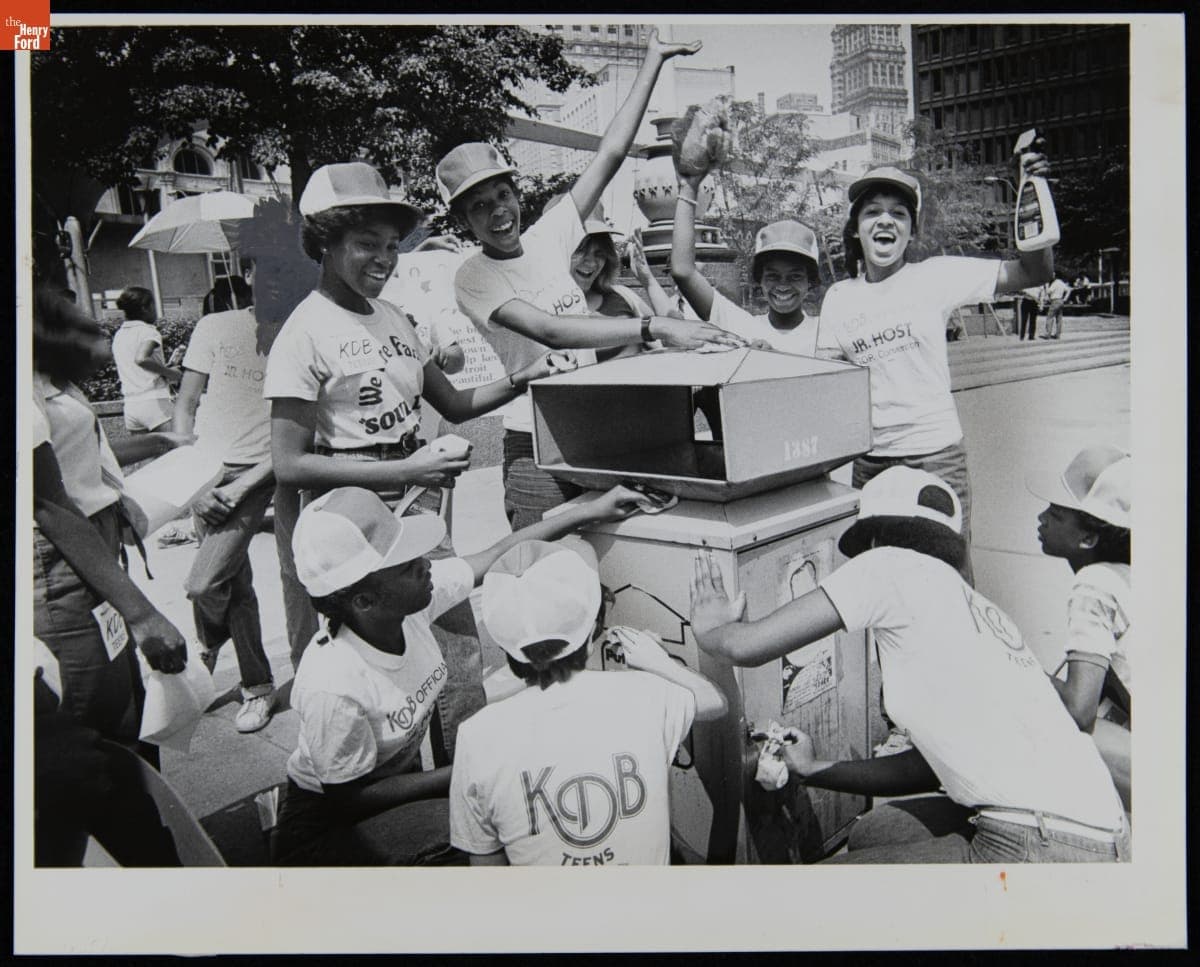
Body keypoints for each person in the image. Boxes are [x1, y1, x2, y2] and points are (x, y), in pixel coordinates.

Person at [263, 161, 568, 758]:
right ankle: (383, 803)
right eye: (364, 245)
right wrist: (404, 471)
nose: (383, 259)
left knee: (456, 652)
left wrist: (523, 377)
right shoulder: (304, 333)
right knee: (380, 669)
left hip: (420, 497)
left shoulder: (396, 318)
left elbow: (452, 404)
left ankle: (463, 789)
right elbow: (289, 465)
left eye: (389, 246)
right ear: (324, 243)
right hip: (355, 518)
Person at [689, 466, 1127, 863]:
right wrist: (813, 768)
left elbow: (743, 647)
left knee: (816, 898)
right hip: (1101, 832)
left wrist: (710, 629)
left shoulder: (887, 565)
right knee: (874, 833)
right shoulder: (974, 608)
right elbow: (927, 766)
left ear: (876, 538)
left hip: (1037, 843)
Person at [442, 29, 740, 530]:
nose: (497, 212)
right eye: (478, 206)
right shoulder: (473, 276)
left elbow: (610, 154)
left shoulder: (549, 235)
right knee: (545, 573)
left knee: (614, 566)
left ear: (516, 193)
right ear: (464, 221)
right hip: (535, 437)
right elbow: (549, 331)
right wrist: (656, 328)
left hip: (598, 426)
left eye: (502, 195)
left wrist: (653, 62)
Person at [270, 482, 645, 866]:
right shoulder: (332, 682)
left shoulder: (407, 605)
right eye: (407, 564)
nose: (426, 564)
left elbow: (498, 553)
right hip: (327, 828)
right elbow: (348, 798)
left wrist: (590, 511)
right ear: (364, 601)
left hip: (390, 792)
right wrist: (472, 765)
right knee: (490, 823)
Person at [815, 155, 1057, 584]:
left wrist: (1032, 193)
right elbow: (827, 385)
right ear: (856, 228)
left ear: (911, 229)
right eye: (872, 212)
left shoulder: (936, 277)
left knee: (950, 583)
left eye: (899, 213)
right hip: (870, 465)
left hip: (936, 456)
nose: (885, 221)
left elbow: (1034, 271)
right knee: (878, 584)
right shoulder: (838, 298)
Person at [449, 539, 727, 866]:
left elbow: (488, 876)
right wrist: (660, 662)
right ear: (594, 628)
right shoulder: (646, 694)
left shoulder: (477, 737)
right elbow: (716, 702)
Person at [32, 287, 189, 765]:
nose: (98, 341)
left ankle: (149, 824)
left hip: (93, 552)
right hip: (64, 560)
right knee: (97, 726)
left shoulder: (50, 379)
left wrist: (159, 443)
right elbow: (49, 503)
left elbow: (77, 457)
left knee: (131, 713)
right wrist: (143, 615)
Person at [173, 231, 285, 734]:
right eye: (267, 267)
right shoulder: (215, 326)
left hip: (261, 470)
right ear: (249, 273)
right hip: (207, 472)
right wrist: (189, 474)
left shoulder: (298, 331)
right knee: (234, 585)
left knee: (203, 583)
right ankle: (258, 686)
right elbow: (185, 404)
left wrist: (246, 482)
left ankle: (208, 640)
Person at [1028, 444, 1131, 811]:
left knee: (1037, 724)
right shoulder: (1129, 575)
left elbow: (1079, 710)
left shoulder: (1094, 584)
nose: (1041, 518)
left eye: (1055, 514)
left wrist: (1010, 661)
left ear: (1088, 539)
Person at [672, 151, 821, 354]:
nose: (783, 286)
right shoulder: (744, 326)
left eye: (795, 276)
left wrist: (776, 359)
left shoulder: (826, 333)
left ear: (810, 281)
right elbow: (683, 271)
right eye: (772, 276)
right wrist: (688, 188)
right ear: (759, 279)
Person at [111, 285, 182, 433]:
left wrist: (162, 368)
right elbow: (141, 359)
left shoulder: (119, 335)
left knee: (147, 456)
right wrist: (171, 373)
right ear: (145, 308)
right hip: (154, 403)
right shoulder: (148, 331)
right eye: (154, 305)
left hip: (131, 406)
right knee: (183, 448)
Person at [1042, 274, 1073, 339]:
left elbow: (1048, 291)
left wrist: (1047, 286)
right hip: (1061, 300)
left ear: (1055, 276)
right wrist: (1065, 299)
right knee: (1059, 318)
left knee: (1050, 317)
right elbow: (1069, 290)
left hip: (1055, 301)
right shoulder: (1062, 283)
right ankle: (1058, 334)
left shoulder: (1055, 283)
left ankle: (1048, 334)